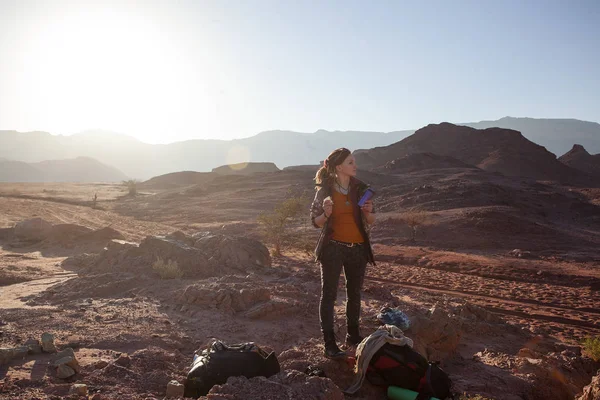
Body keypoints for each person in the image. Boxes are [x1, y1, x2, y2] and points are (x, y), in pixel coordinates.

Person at [310, 147, 376, 359]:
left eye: (354, 162)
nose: (355, 166)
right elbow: (315, 222)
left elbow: (371, 221)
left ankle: (353, 337)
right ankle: (329, 343)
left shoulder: (361, 188)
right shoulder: (325, 191)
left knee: (354, 294)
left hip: (358, 249)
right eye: (350, 162)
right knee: (328, 295)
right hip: (333, 248)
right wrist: (326, 214)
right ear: (339, 167)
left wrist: (368, 211)